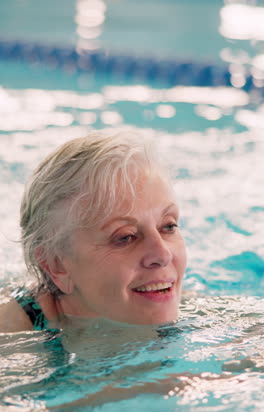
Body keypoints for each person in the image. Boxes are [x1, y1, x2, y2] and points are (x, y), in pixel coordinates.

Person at [0, 128, 187, 332]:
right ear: (57, 266)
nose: (162, 254)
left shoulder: (201, 313)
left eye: (168, 226)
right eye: (126, 237)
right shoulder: (11, 337)